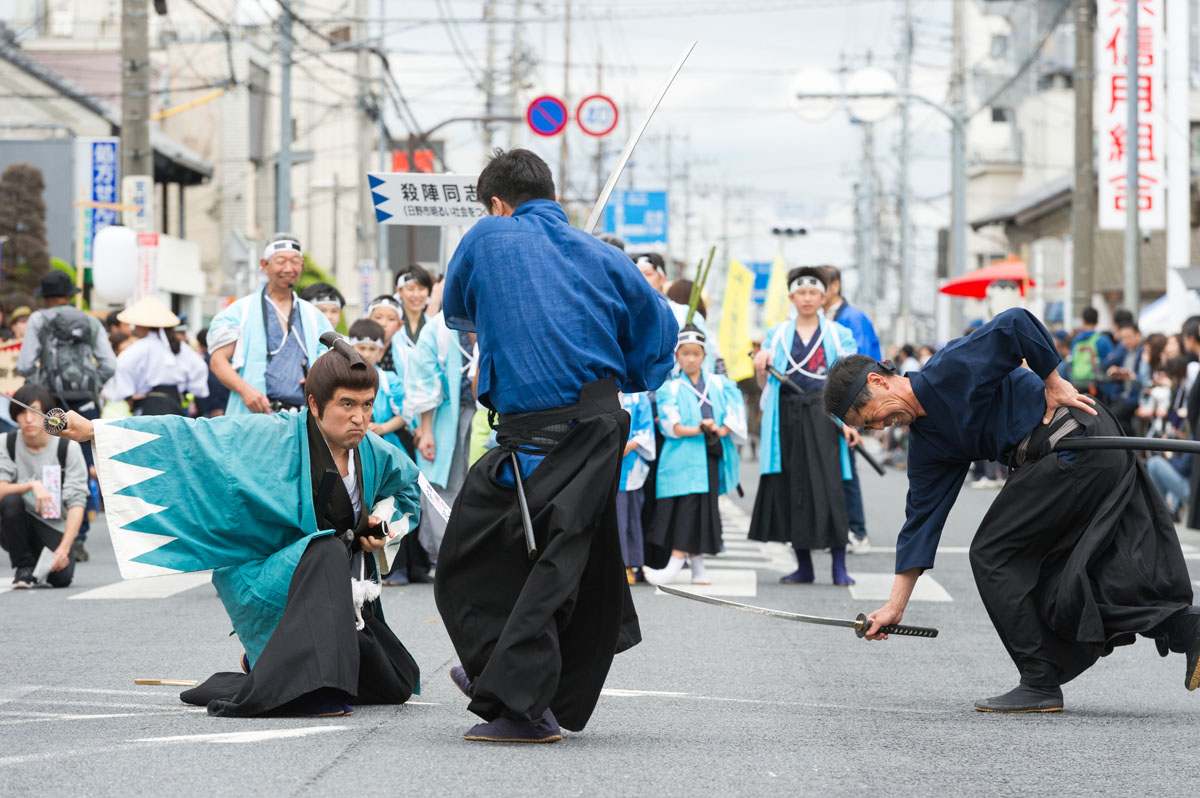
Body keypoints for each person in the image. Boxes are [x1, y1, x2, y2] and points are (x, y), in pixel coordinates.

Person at [824, 308, 1200, 712]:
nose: (880, 428)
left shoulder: (948, 368)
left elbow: (1016, 323)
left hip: (1073, 442)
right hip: (1074, 452)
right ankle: (1189, 628)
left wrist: (1052, 382)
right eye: (869, 430)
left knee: (993, 553)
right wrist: (895, 606)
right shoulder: (928, 442)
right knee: (1081, 571)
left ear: (878, 382)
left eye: (871, 418)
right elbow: (921, 521)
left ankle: (1039, 681)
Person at [435, 148, 677, 743]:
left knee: (481, 562)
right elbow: (658, 343)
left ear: (497, 202)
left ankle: (521, 705)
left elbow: (458, 312)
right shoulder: (607, 256)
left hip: (537, 434)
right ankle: (506, 676)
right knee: (557, 560)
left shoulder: (489, 235)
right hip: (596, 428)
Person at [57, 333, 422, 717]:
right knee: (327, 549)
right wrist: (95, 431)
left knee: (394, 683)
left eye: (366, 405)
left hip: (335, 591)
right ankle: (296, 678)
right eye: (346, 404)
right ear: (314, 404)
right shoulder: (273, 436)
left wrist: (383, 521)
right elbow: (193, 436)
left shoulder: (375, 451)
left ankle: (268, 671)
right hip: (270, 576)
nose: (359, 418)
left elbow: (406, 492)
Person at [749, 266, 859, 586]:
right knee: (794, 486)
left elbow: (849, 382)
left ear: (824, 296)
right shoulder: (777, 334)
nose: (807, 298)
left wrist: (849, 420)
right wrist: (760, 366)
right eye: (801, 293)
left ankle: (839, 565)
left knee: (830, 485)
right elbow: (763, 382)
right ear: (791, 297)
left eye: (813, 292)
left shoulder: (839, 335)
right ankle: (804, 565)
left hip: (824, 413)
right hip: (786, 414)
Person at [643, 325, 746, 586]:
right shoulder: (671, 388)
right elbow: (671, 426)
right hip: (680, 459)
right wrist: (701, 427)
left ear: (704, 355)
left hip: (708, 457)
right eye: (685, 353)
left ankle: (686, 566)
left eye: (696, 353)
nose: (690, 359)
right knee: (684, 511)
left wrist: (718, 428)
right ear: (677, 356)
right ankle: (691, 567)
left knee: (700, 510)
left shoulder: (720, 385)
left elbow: (734, 419)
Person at [208, 233, 334, 414]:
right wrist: (245, 390)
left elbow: (330, 361)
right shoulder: (240, 311)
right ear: (264, 266)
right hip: (255, 414)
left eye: (295, 261)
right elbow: (217, 361)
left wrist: (318, 379)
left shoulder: (315, 317)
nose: (288, 268)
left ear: (302, 266)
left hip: (304, 416)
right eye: (281, 261)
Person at [402, 311, 477, 582]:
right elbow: (423, 375)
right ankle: (448, 557)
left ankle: (483, 558)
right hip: (445, 417)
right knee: (441, 488)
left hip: (488, 417)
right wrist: (426, 429)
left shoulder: (499, 308)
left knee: (487, 488)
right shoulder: (439, 326)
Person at [0, 384, 87, 588]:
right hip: (15, 523)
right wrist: (32, 485)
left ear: (48, 414)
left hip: (52, 524)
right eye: (22, 413)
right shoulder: (6, 443)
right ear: (14, 416)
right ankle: (23, 567)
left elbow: (77, 502)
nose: (28, 419)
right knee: (10, 501)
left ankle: (39, 563)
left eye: (34, 412)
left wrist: (64, 548)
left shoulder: (67, 447)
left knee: (61, 578)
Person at [819, 264, 881, 554]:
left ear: (834, 286)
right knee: (831, 466)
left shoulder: (851, 318)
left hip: (849, 401)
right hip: (830, 402)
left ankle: (857, 530)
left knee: (847, 467)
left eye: (820, 286)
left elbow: (859, 363)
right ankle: (837, 528)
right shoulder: (825, 317)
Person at [104, 296, 210, 416]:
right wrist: (187, 390)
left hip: (148, 403)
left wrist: (129, 395)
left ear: (144, 325)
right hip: (175, 402)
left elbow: (122, 367)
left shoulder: (140, 347)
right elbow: (200, 368)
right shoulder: (180, 346)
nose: (134, 328)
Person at [345, 319, 406, 452]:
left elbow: (404, 414)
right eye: (362, 348)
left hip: (383, 445)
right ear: (350, 349)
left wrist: (382, 428)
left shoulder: (389, 380)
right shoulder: (341, 378)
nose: (367, 354)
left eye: (372, 349)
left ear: (381, 352)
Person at [616, 390, 655, 584]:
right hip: (606, 463)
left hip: (631, 466)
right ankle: (616, 566)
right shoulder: (604, 390)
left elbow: (646, 431)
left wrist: (628, 445)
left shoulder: (639, 396)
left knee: (629, 517)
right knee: (615, 520)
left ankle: (632, 565)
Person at [1069, 307, 1112, 397]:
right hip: (1096, 385)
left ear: (1083, 320)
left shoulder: (1076, 340)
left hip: (1077, 383)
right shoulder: (1102, 340)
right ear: (1097, 320)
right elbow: (1110, 361)